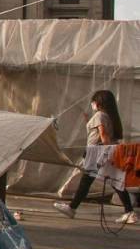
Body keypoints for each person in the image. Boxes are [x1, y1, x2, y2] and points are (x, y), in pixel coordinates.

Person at [54, 90, 136, 224]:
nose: (92, 104)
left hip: (98, 152)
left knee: (87, 181)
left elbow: (103, 135)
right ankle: (129, 212)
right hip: (107, 150)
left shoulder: (99, 115)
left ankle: (71, 208)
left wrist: (106, 150)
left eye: (93, 102)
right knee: (116, 182)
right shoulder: (109, 116)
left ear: (98, 103)